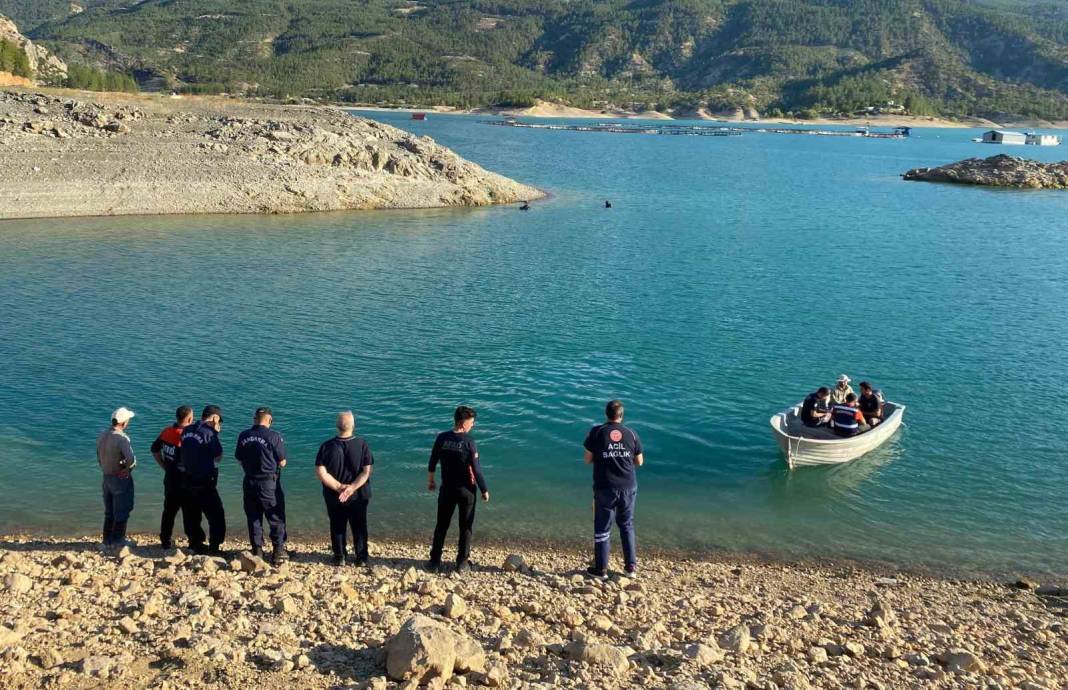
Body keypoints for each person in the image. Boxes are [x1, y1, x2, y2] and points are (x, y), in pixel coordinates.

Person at [583, 399, 644, 579]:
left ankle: (601, 570)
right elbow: (639, 461)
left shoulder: (597, 432)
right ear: (622, 416)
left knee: (602, 526)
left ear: (606, 414)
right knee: (626, 525)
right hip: (628, 486)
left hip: (605, 487)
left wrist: (603, 457)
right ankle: (630, 568)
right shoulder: (631, 433)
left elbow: (587, 459)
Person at [426, 405, 489, 573]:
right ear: (462, 423)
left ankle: (434, 561)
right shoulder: (469, 442)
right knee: (465, 527)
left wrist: (431, 480)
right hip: (466, 491)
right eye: (471, 422)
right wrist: (484, 490)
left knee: (441, 525)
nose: (472, 425)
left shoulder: (441, 438)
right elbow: (476, 469)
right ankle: (462, 562)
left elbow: (432, 461)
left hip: (447, 489)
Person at [315, 411, 374, 567]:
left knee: (337, 524)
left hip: (334, 495)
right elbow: (366, 471)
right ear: (353, 426)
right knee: (360, 525)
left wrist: (340, 487)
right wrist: (351, 488)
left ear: (337, 426)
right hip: (359, 495)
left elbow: (321, 472)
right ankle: (361, 557)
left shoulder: (326, 446)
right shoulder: (362, 444)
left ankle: (339, 556)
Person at [235, 407, 289, 565]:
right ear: (270, 420)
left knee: (253, 516)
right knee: (275, 516)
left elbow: (239, 458)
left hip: (249, 480)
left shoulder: (244, 435)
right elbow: (282, 462)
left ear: (254, 419)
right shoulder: (274, 436)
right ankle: (278, 551)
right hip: (268, 483)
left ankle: (257, 550)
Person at [178, 405, 226, 555]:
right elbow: (218, 456)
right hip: (204, 481)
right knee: (216, 515)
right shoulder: (209, 433)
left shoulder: (187, 430)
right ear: (214, 418)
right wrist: (215, 433)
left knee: (191, 513)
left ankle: (194, 543)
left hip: (187, 478)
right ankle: (214, 547)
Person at [150, 405, 193, 549]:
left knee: (168, 511)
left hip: (170, 479)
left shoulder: (167, 432)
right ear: (189, 418)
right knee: (189, 513)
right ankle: (192, 542)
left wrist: (164, 466)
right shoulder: (188, 436)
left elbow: (154, 449)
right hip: (185, 482)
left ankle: (165, 540)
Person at [96, 407, 137, 553]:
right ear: (123, 422)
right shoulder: (122, 439)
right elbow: (131, 460)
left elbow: (99, 458)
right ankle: (118, 540)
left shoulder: (102, 435)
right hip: (119, 478)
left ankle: (106, 540)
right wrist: (127, 470)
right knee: (122, 509)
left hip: (106, 477)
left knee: (109, 511)